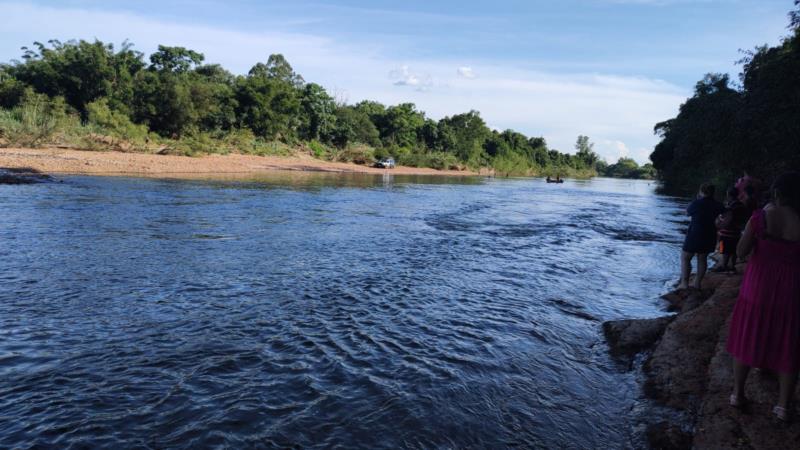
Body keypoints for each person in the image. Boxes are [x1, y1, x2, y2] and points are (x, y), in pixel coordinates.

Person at [727, 172, 800, 421]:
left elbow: (740, 252)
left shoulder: (760, 218)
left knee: (747, 336)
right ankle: (783, 407)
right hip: (792, 291)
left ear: (777, 193)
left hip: (758, 287)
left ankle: (737, 394)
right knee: (789, 345)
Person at [678, 183, 725, 290]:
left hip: (695, 234)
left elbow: (687, 213)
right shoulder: (717, 204)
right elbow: (728, 213)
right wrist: (721, 225)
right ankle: (697, 283)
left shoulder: (697, 203)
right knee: (702, 259)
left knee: (685, 258)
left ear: (701, 191)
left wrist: (696, 200)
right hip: (710, 234)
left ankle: (684, 283)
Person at [714, 186, 749, 273]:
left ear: (728, 195)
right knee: (734, 250)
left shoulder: (729, 206)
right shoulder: (742, 205)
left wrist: (718, 223)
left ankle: (723, 265)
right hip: (737, 232)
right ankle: (732, 266)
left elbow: (723, 218)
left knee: (723, 249)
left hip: (726, 233)